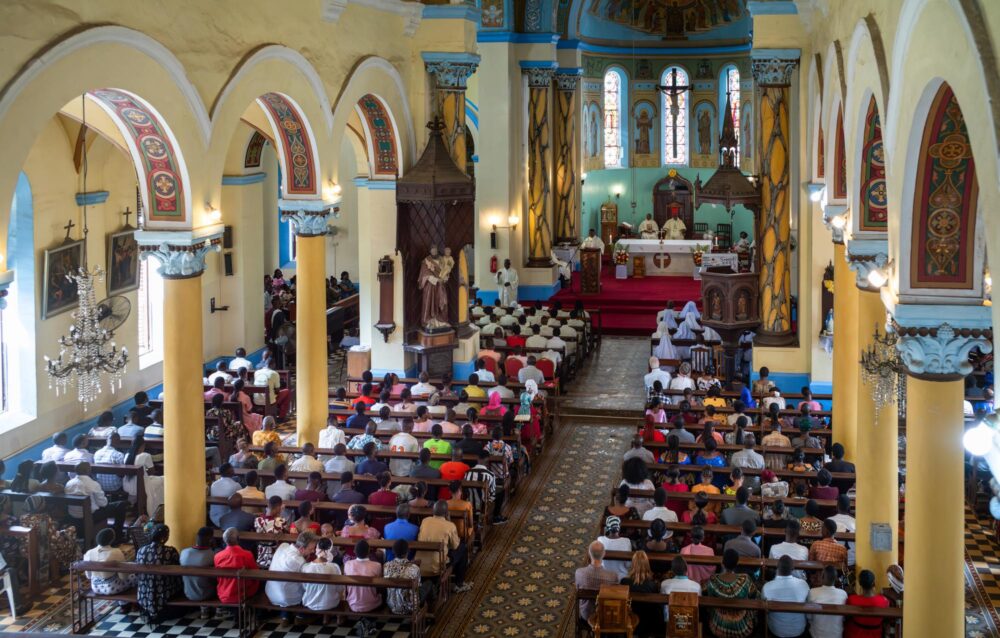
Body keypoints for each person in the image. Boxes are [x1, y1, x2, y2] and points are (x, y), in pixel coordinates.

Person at [65, 462, 128, 544]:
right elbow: (103, 504)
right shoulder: (93, 484)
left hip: (73, 516)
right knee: (121, 505)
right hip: (91, 516)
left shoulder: (69, 483)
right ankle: (118, 535)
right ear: (88, 471)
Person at [417, 500, 471, 593]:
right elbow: (455, 546)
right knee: (462, 548)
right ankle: (459, 584)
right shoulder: (450, 526)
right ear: (446, 513)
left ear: (433, 511)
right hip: (437, 566)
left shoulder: (425, 521)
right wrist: (449, 522)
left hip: (421, 564)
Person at [705, 549, 759, 638]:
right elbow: (755, 596)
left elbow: (710, 604)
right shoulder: (745, 579)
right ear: (737, 564)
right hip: (742, 628)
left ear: (722, 563)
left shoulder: (713, 579)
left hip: (718, 627)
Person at [135, 524, 183, 623]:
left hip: (144, 591)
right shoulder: (170, 551)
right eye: (168, 535)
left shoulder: (141, 550)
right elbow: (178, 571)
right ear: (164, 537)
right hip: (163, 591)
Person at [265, 531, 319, 621]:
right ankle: (301, 615)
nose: (313, 551)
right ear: (301, 549)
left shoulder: (283, 545)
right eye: (311, 549)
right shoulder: (299, 561)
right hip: (286, 597)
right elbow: (307, 581)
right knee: (312, 585)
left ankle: (285, 615)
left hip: (271, 591)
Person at [763, 555, 811, 637]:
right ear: (793, 568)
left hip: (776, 631)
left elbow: (764, 606)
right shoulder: (803, 584)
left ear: (777, 568)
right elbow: (808, 604)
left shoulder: (767, 587)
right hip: (798, 630)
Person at [575, 540, 620, 620]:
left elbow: (578, 590)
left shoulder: (579, 573)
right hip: (605, 614)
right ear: (604, 554)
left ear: (589, 554)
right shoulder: (613, 576)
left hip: (586, 614)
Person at [622, 550, 663, 634]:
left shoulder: (624, 582)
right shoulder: (652, 585)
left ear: (633, 564)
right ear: (647, 565)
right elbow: (655, 607)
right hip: (647, 624)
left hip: (629, 621)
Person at [179, 527, 217, 618]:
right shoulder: (212, 555)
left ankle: (204, 608)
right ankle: (216, 609)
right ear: (211, 540)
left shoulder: (184, 552)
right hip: (207, 594)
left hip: (188, 592)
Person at [83, 527, 134, 595]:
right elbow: (123, 577)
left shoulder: (88, 553)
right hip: (112, 587)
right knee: (136, 575)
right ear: (111, 540)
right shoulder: (116, 552)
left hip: (95, 587)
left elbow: (88, 576)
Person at [301, 537, 345, 612]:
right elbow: (340, 588)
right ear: (330, 550)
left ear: (316, 548)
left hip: (311, 602)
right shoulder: (334, 567)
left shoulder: (306, 567)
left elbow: (304, 587)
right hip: (331, 603)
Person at [384, 539, 425, 615]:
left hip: (391, 606)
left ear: (393, 551)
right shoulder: (415, 568)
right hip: (410, 607)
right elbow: (418, 587)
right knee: (429, 584)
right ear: (408, 551)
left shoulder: (386, 566)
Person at [845, 569, 890, 637]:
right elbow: (885, 621)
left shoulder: (852, 599)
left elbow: (846, 618)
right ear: (873, 583)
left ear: (860, 584)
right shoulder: (884, 601)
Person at [807, 565, 848, 637]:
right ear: (836, 579)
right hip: (837, 635)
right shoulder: (843, 594)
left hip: (817, 635)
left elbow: (809, 617)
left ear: (822, 577)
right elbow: (844, 618)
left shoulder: (812, 592)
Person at [254, 495, 290, 568]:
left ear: (268, 505)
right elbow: (286, 531)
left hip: (261, 556)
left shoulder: (258, 520)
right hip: (274, 558)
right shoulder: (281, 521)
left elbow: (269, 523)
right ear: (278, 507)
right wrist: (279, 513)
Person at [596, 516, 632, 581]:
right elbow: (628, 564)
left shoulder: (600, 540)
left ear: (607, 528)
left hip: (604, 577)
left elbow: (598, 561)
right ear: (619, 527)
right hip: (622, 578)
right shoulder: (627, 541)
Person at [830, 494, 857, 566]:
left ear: (837, 506)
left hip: (833, 560)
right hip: (851, 560)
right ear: (849, 507)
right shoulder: (856, 522)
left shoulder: (829, 520)